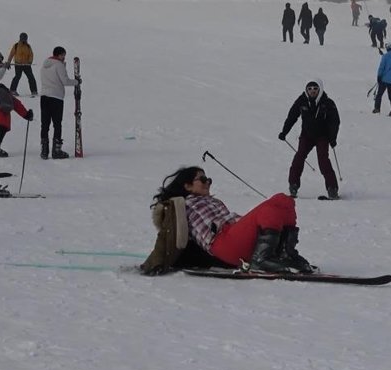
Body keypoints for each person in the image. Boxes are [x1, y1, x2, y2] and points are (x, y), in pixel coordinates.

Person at [142, 166, 314, 274]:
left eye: (208, 179)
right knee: (270, 208)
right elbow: (168, 233)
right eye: (202, 180)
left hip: (236, 236)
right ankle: (262, 259)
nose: (207, 183)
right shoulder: (182, 204)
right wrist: (155, 262)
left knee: (285, 201)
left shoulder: (213, 201)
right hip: (222, 242)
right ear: (187, 186)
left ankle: (284, 253)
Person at [278, 79, 340, 200]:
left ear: (320, 89)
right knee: (299, 157)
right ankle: (293, 185)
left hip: (323, 136)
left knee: (323, 161)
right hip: (307, 136)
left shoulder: (327, 103)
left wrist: (332, 138)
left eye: (315, 89)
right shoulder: (302, 101)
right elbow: (292, 116)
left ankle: (332, 189)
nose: (312, 91)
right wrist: (284, 132)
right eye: (310, 89)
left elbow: (335, 122)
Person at [39, 46, 80, 159]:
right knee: (57, 124)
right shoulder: (59, 65)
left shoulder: (45, 65)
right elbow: (65, 81)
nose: (63, 58)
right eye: (63, 55)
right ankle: (56, 150)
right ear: (59, 55)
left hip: (44, 96)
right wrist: (76, 82)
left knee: (45, 124)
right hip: (56, 97)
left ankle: (44, 149)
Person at [374, 41, 391, 117]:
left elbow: (382, 67)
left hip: (384, 79)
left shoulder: (385, 56)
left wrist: (379, 76)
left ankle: (377, 108)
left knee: (379, 94)